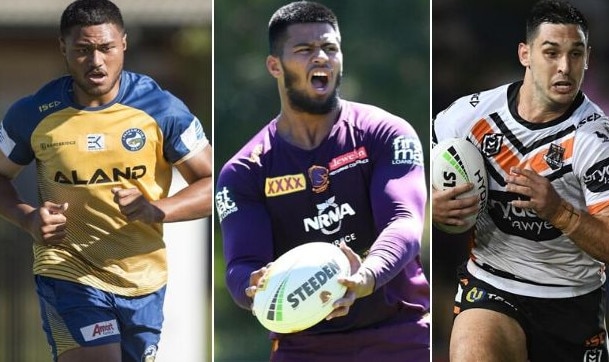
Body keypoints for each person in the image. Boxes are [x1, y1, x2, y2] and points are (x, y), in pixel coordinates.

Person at [216, 1, 429, 361]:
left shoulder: (385, 133)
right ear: (274, 66)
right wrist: (252, 286)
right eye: (305, 50)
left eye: (330, 48)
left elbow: (405, 222)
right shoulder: (244, 171)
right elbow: (241, 265)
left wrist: (367, 276)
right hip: (303, 346)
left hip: (398, 335)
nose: (321, 58)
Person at [432, 0, 609, 361]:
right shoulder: (466, 117)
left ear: (587, 58)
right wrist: (434, 204)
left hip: (571, 302)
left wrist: (560, 212)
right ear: (525, 54)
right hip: (492, 285)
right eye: (551, 52)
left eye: (575, 54)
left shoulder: (597, 142)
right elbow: (417, 181)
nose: (565, 67)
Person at [0, 0, 212, 361]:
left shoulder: (161, 109)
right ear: (63, 48)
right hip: (69, 272)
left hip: (142, 280)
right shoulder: (33, 113)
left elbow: (212, 184)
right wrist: (26, 217)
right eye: (83, 50)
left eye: (106, 48)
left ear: (124, 44)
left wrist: (156, 210)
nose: (96, 61)